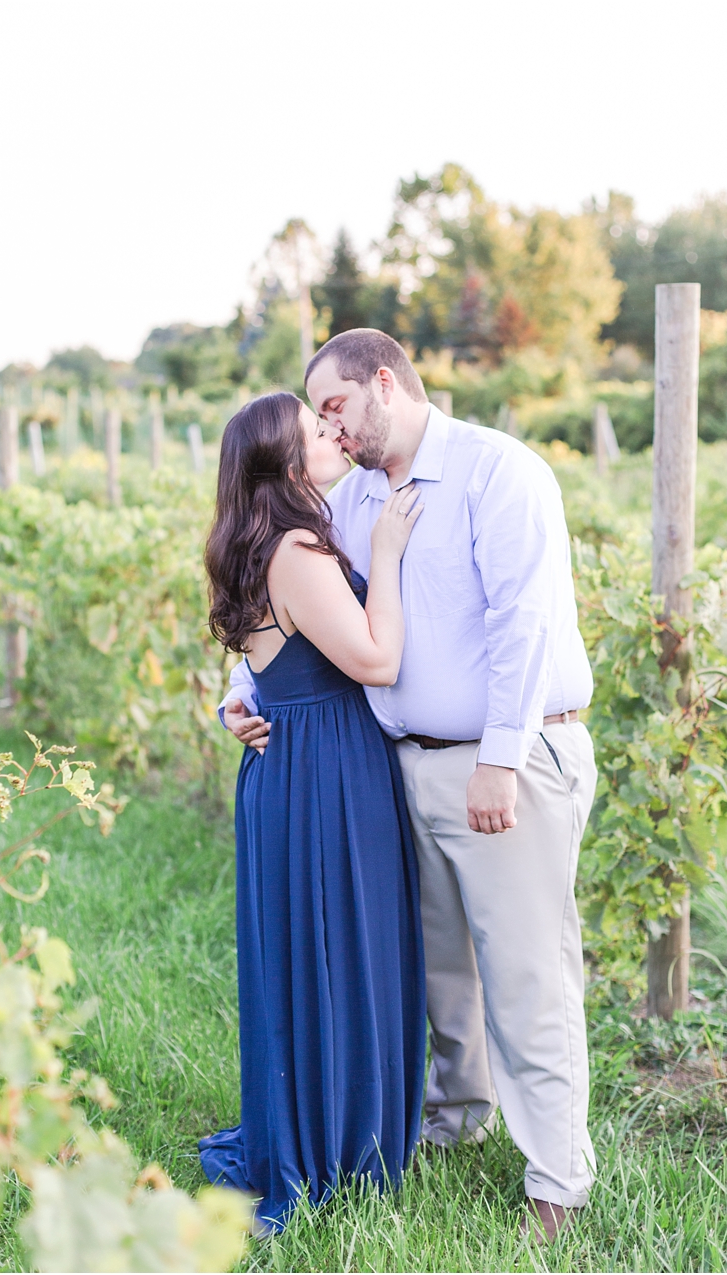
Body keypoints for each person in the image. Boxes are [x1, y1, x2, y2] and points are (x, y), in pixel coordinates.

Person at [221, 328, 597, 1242]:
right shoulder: (354, 501)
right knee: (440, 973)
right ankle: (454, 1119)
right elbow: (303, 612)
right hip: (399, 766)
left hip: (501, 757)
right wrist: (241, 693)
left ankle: (556, 1179)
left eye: (337, 407)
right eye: (320, 418)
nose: (331, 428)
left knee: (525, 974)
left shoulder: (497, 472)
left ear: (383, 384)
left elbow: (525, 622)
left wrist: (501, 758)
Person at [199, 391, 427, 1233]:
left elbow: (266, 665)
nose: (331, 433)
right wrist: (388, 553)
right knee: (339, 946)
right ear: (287, 465)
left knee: (307, 950)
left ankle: (317, 1119)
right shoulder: (298, 547)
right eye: (313, 429)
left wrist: (235, 703)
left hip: (289, 763)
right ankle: (338, 1140)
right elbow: (374, 657)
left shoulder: (253, 542)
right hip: (325, 768)